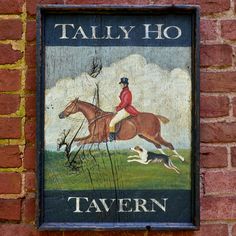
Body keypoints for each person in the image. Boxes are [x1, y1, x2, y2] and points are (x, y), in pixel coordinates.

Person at [109, 77, 140, 141]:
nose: (120, 85)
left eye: (122, 84)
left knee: (112, 123)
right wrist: (117, 107)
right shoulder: (124, 91)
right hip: (124, 109)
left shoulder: (127, 92)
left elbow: (125, 103)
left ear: (125, 84)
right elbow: (122, 102)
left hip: (127, 110)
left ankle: (112, 139)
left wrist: (117, 109)